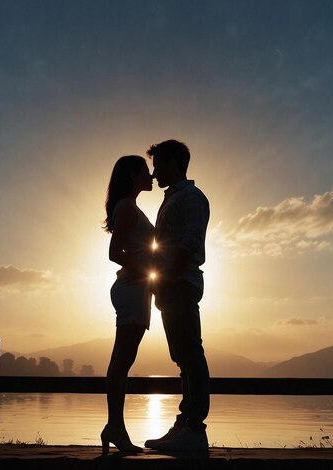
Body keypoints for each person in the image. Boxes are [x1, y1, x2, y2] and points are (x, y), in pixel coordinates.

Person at [144, 140, 211, 451]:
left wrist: (168, 278)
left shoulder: (191, 197)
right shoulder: (174, 198)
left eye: (158, 165)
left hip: (181, 283)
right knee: (183, 357)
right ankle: (185, 424)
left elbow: (190, 241)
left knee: (190, 355)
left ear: (173, 163)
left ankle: (195, 429)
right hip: (172, 285)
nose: (154, 172)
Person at [101, 155, 155, 454]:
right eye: (145, 172)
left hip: (138, 289)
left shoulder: (132, 208)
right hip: (132, 288)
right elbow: (114, 251)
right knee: (121, 361)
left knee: (124, 360)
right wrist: (147, 272)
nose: (150, 176)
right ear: (133, 175)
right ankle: (115, 428)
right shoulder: (125, 207)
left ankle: (114, 427)